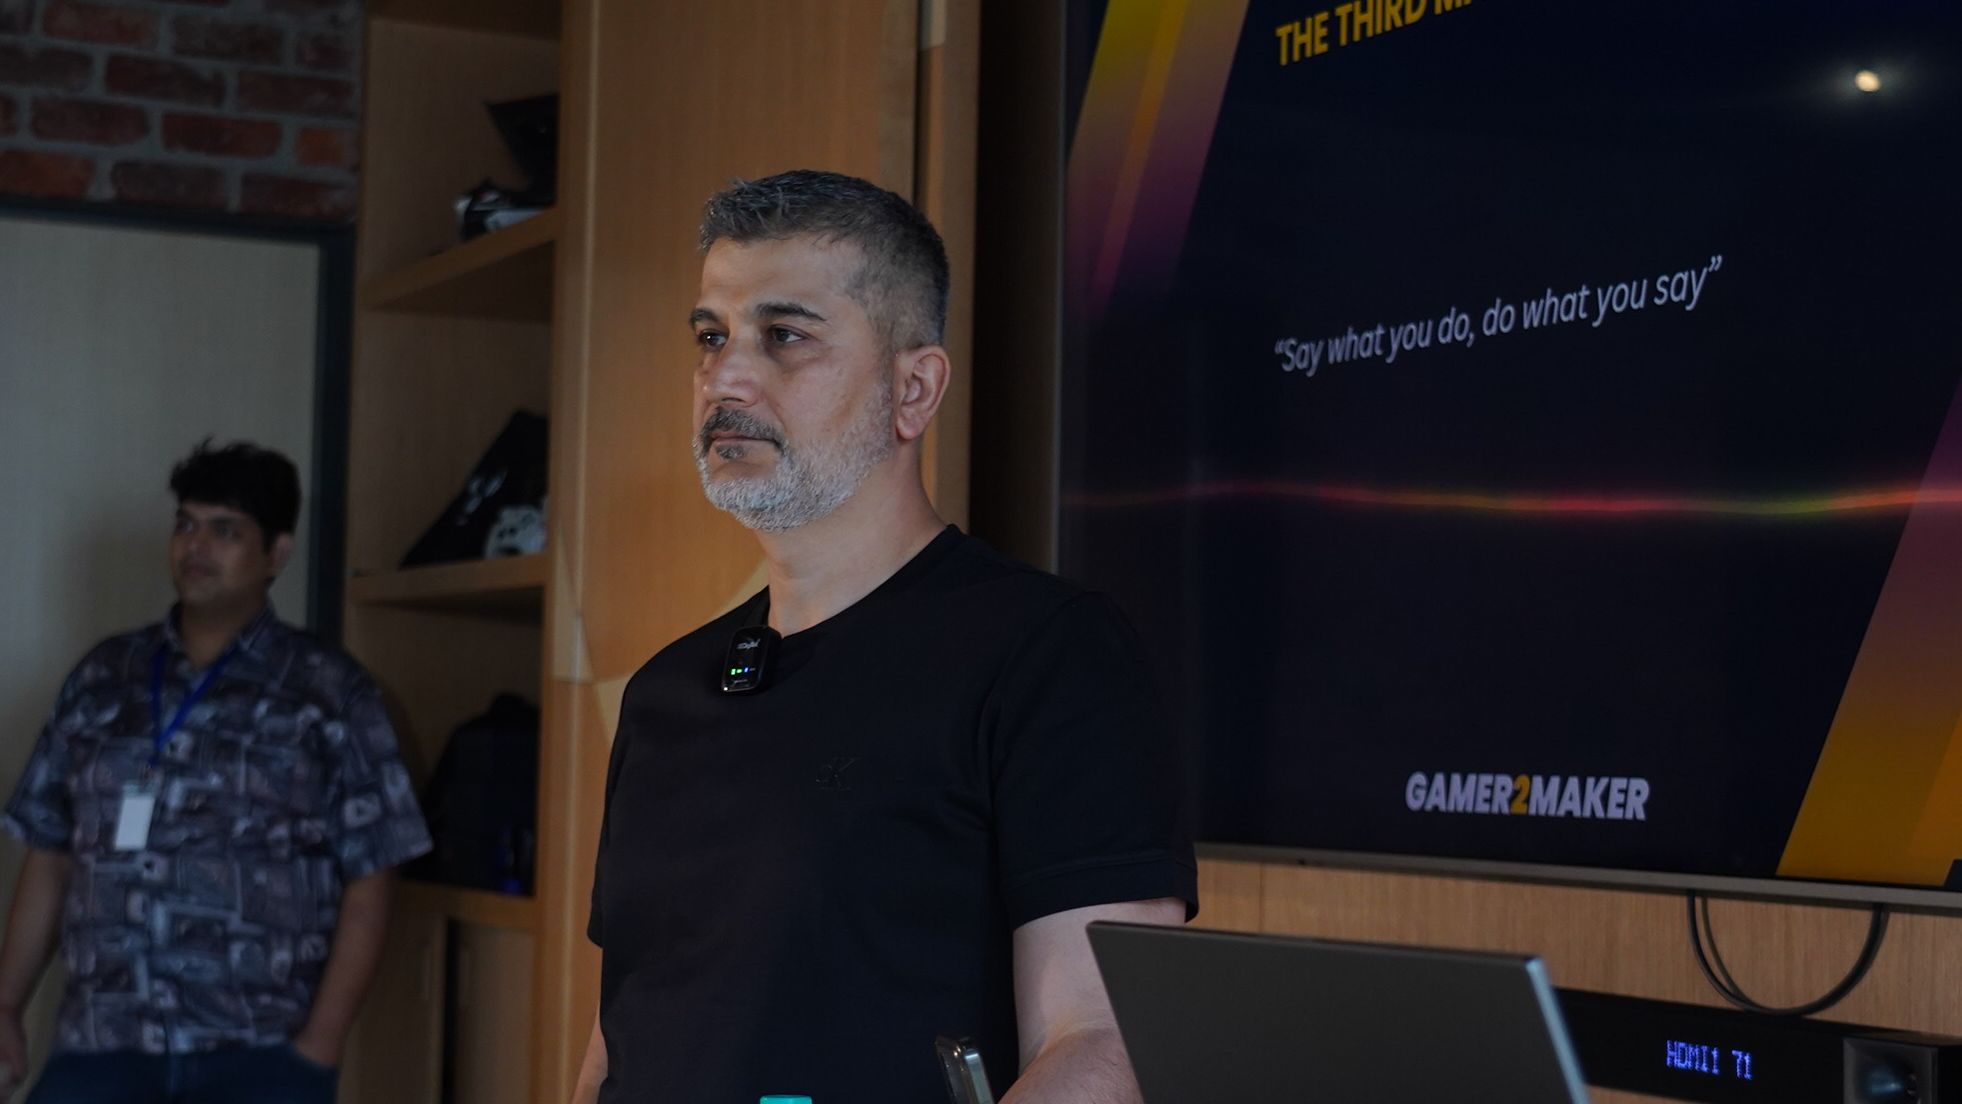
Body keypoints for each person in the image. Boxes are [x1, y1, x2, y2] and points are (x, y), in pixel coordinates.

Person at [575, 170, 1197, 1104]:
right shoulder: (667, 688)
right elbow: (625, 1026)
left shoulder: (1048, 655)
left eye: (784, 336)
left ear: (914, 388)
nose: (725, 378)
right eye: (711, 336)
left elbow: (1104, 1042)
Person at [0, 441, 431, 1102]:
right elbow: (51, 854)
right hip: (103, 1041)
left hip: (257, 1052)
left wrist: (320, 1045)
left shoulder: (328, 692)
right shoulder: (104, 677)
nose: (196, 545)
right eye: (186, 524)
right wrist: (6, 1002)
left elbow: (372, 876)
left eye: (225, 530)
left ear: (277, 553)